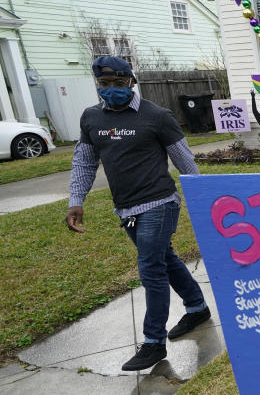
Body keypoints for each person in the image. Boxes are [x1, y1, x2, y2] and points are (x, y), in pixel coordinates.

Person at [66, 56, 210, 372]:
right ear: (98, 85)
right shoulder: (91, 118)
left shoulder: (157, 116)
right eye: (105, 84)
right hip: (126, 208)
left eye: (119, 84)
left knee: (150, 268)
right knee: (165, 259)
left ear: (131, 81)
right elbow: (85, 162)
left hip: (160, 202)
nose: (112, 90)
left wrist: (201, 197)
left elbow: (185, 160)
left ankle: (153, 343)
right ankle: (197, 307)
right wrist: (76, 200)